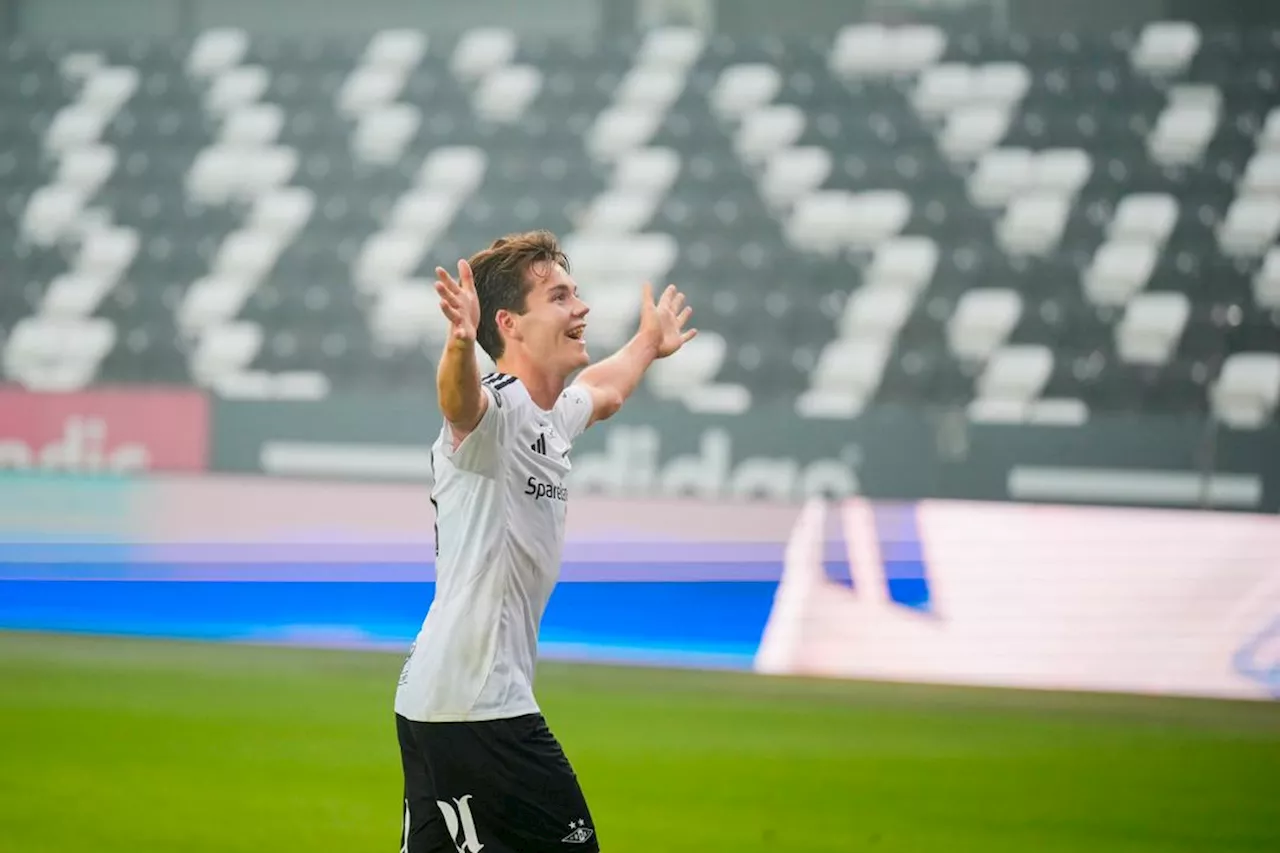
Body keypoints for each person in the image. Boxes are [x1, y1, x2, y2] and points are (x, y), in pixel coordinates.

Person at [394, 230, 697, 853]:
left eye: (576, 294)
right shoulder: (496, 414)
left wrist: (648, 343)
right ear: (509, 323)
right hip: (483, 706)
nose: (580, 308)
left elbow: (607, 391)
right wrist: (458, 344)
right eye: (560, 297)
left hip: (439, 699)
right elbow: (458, 402)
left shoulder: (550, 417)